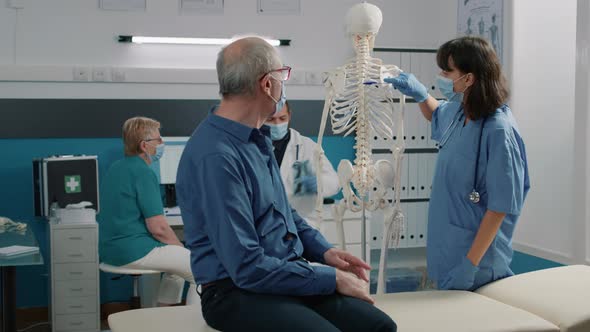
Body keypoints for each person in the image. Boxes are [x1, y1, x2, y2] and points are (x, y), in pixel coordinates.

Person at [176, 36, 396, 332]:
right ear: (267, 84)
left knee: (380, 327)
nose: (284, 84)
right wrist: (331, 279)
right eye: (284, 76)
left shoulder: (256, 138)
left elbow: (284, 211)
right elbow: (247, 268)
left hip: (282, 276)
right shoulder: (217, 156)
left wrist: (324, 252)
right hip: (236, 292)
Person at [385, 36, 530, 291]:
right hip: (449, 247)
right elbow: (437, 113)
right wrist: (420, 95)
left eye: (447, 70)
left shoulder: (499, 131)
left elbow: (500, 208)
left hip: (479, 263)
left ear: (469, 78)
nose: (441, 75)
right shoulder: (460, 112)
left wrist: (469, 265)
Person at [98, 116, 197, 306]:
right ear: (144, 145)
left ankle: (164, 319)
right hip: (132, 250)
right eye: (158, 139)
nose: (162, 143)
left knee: (176, 268)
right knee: (201, 269)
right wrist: (179, 248)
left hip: (111, 251)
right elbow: (158, 228)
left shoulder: (116, 168)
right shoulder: (143, 172)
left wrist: (176, 251)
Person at [265, 101, 340, 229]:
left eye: (282, 118)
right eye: (271, 119)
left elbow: (334, 183)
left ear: (289, 115)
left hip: (301, 225)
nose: (277, 124)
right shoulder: (252, 147)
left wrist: (315, 183)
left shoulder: (307, 146)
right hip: (264, 226)